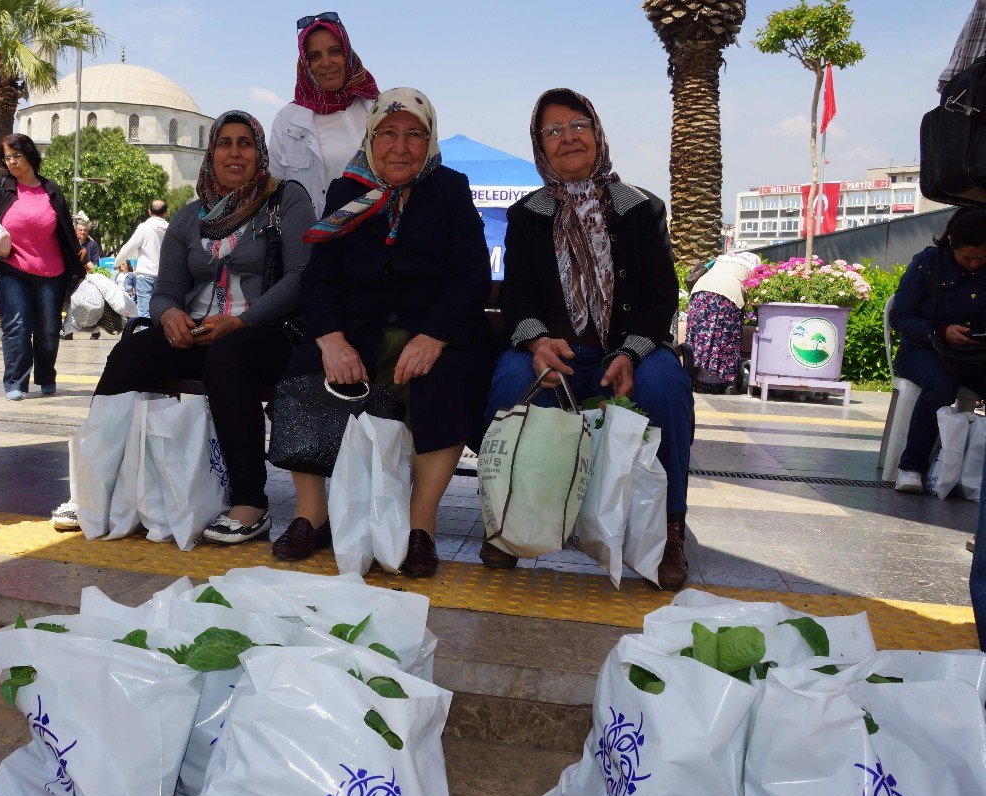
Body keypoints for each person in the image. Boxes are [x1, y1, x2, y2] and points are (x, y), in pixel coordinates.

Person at [50, 111, 314, 541]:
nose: (234, 152)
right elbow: (166, 290)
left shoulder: (286, 200)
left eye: (244, 143)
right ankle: (94, 490)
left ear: (260, 152)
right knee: (130, 354)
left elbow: (301, 277)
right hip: (198, 331)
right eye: (224, 143)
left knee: (229, 359)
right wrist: (168, 315)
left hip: (267, 331)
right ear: (211, 153)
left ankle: (251, 502)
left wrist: (241, 320)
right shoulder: (191, 216)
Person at [272, 87, 492, 577]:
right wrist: (329, 337)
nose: (400, 145)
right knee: (304, 366)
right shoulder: (346, 191)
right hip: (360, 331)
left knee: (449, 376)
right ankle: (312, 512)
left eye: (414, 134)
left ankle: (421, 525)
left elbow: (472, 274)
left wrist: (434, 336)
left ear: (429, 141)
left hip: (430, 332)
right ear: (371, 138)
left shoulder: (449, 189)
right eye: (388, 133)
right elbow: (320, 273)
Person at [483, 88, 693, 589]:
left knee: (665, 384)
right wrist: (537, 343)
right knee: (511, 376)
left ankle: (668, 528)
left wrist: (630, 352)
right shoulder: (526, 214)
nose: (567, 138)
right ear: (540, 147)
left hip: (630, 349)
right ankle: (506, 521)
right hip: (558, 351)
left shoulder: (640, 208)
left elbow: (661, 297)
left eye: (578, 125)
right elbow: (517, 299)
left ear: (597, 133)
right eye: (552, 131)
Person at [889, 208, 986, 494]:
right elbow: (900, 316)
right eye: (967, 257)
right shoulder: (927, 263)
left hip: (975, 355)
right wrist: (943, 332)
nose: (974, 264)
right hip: (923, 350)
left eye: (982, 258)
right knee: (941, 385)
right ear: (951, 242)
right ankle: (911, 468)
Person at [0, 133, 85, 400]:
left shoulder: (50, 189)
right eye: (7, 158)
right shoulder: (2, 188)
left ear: (30, 155)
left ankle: (45, 376)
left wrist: (78, 254)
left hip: (52, 273)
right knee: (17, 325)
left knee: (48, 329)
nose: (12, 162)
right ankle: (15, 382)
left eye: (17, 156)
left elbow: (64, 227)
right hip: (12, 270)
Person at [269, 12, 378, 216]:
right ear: (306, 63)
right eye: (315, 56)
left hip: (378, 236)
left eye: (335, 51)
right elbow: (275, 189)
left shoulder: (375, 108)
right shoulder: (288, 120)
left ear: (347, 54)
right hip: (317, 240)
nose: (326, 62)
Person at [686, 252, 759, 393]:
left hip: (699, 292)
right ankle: (727, 383)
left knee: (698, 338)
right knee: (727, 339)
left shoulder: (721, 259)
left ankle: (696, 380)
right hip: (727, 297)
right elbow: (754, 290)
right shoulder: (752, 267)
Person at [113, 199, 169, 318]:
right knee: (162, 314)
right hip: (164, 278)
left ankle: (147, 336)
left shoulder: (144, 227)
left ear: (149, 212)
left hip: (145, 277)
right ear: (166, 213)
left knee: (145, 314)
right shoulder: (170, 229)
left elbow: (129, 247)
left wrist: (117, 262)